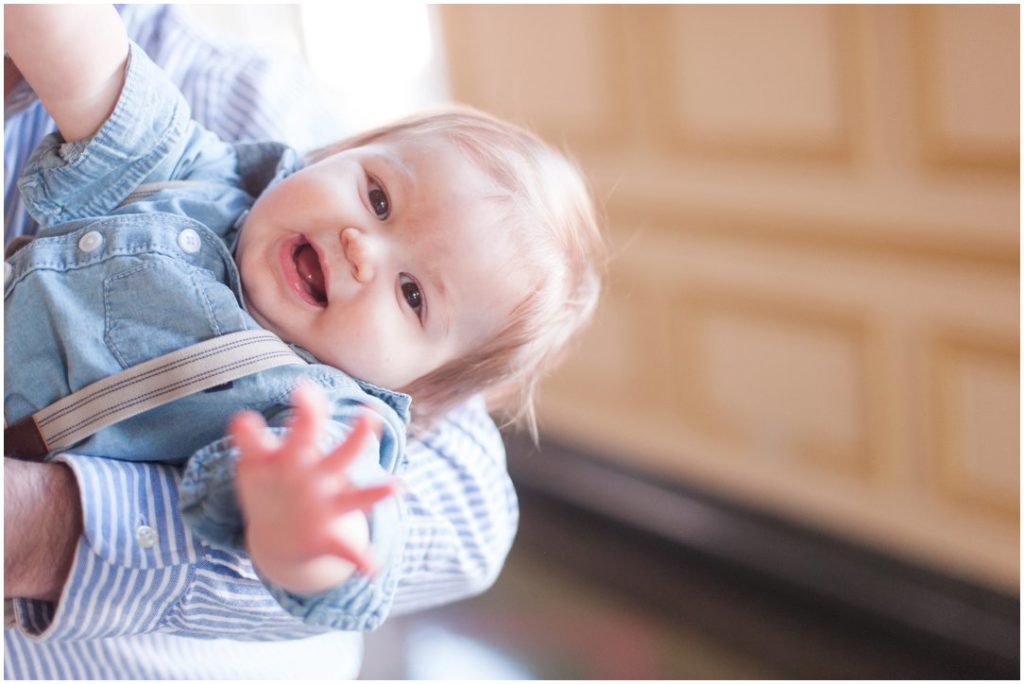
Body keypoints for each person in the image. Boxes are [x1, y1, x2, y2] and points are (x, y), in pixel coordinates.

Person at [5, 0, 602, 667]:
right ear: (326, 157)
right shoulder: (207, 178)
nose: (360, 248)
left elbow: (348, 541)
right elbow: (105, 86)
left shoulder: (324, 414)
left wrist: (302, 526)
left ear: (416, 389)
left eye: (412, 295)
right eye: (378, 197)